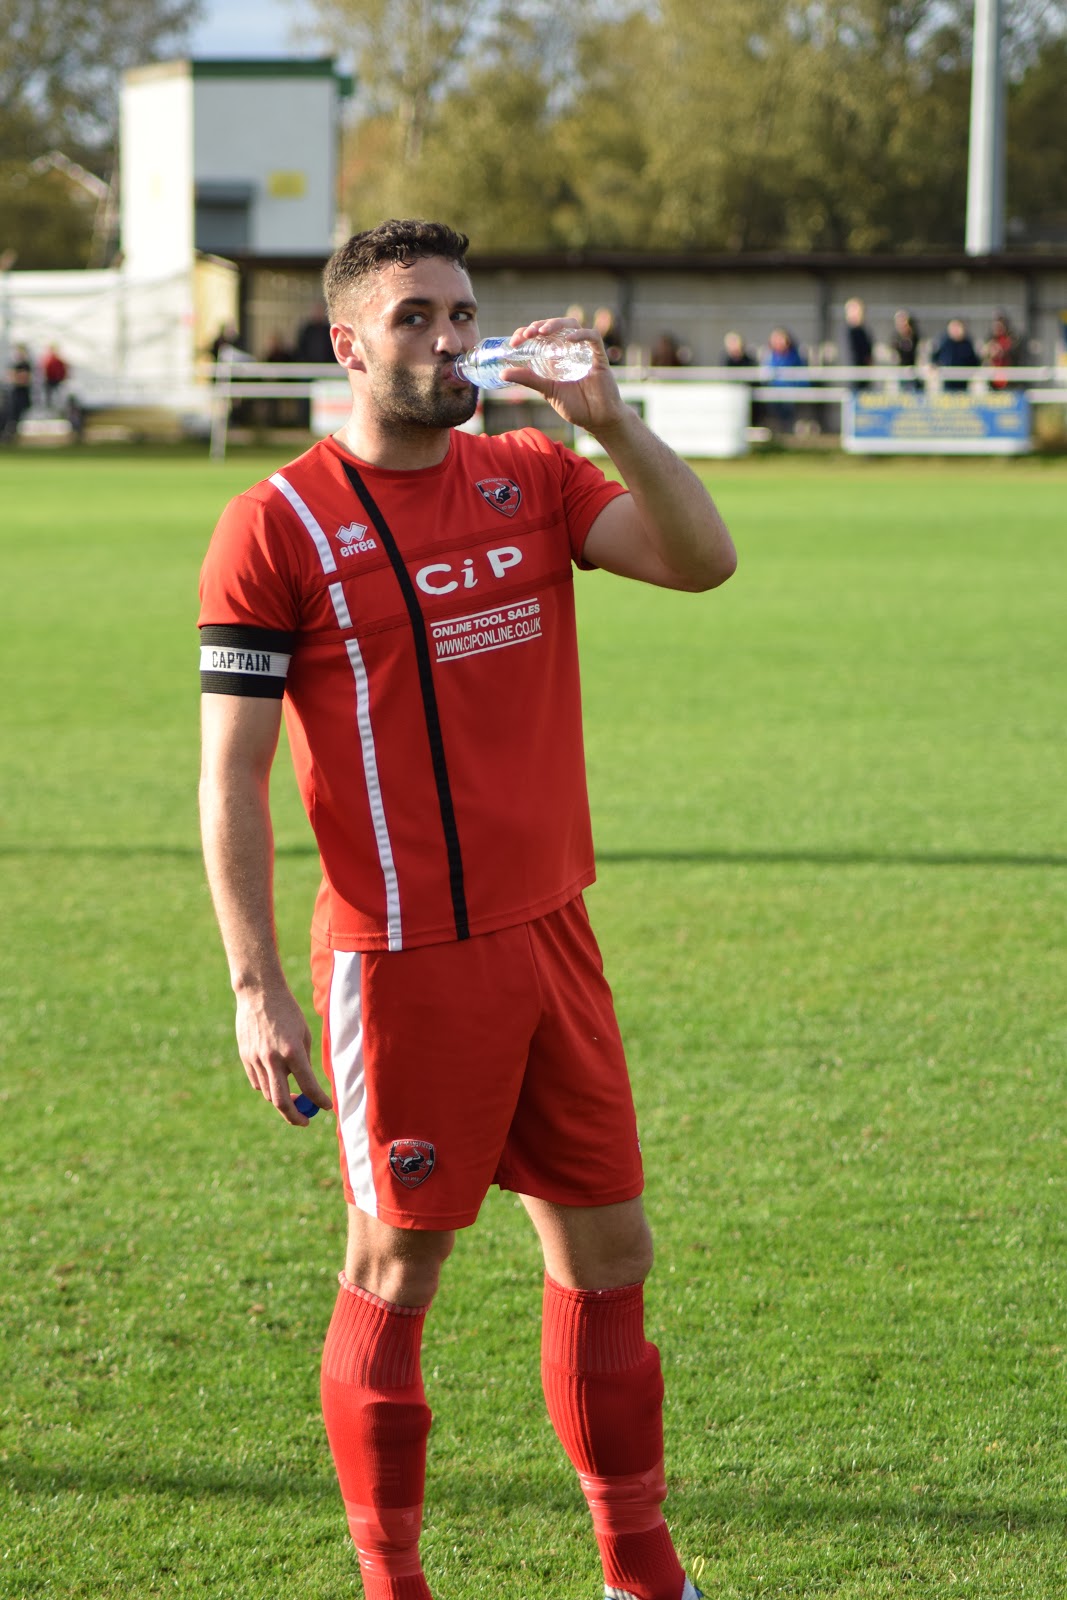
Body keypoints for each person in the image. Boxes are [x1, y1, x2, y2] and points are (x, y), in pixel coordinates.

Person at [198, 218, 736, 1600]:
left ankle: (641, 1575)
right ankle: (394, 1585)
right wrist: (255, 984)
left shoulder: (532, 477)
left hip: (552, 932)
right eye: (415, 318)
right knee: (396, 1267)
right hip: (401, 960)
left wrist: (607, 419)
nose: (448, 341)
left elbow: (700, 559)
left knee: (609, 1253)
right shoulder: (276, 523)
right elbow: (232, 774)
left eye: (462, 315)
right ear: (347, 344)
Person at [765, 326, 806, 433]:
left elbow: (801, 377)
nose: (778, 342)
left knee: (786, 405)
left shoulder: (794, 356)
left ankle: (786, 430)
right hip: (774, 391)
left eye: (780, 339)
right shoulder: (770, 356)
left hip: (791, 391)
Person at [931, 318, 979, 392]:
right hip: (947, 381)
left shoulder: (967, 344)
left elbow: (974, 361)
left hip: (963, 381)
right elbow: (934, 357)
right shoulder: (944, 342)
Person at [843, 297, 874, 390]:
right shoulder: (847, 332)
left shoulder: (863, 332)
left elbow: (868, 354)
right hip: (852, 376)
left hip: (863, 376)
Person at [2, 345, 32, 439]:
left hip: (22, 393)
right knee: (12, 413)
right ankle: (10, 432)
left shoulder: (25, 365)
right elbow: (11, 377)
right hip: (16, 393)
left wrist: (16, 377)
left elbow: (24, 379)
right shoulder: (15, 365)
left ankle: (12, 432)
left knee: (18, 413)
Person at [982, 312, 1018, 389]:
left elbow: (1015, 353)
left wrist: (1001, 351)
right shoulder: (990, 339)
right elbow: (984, 354)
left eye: (1000, 325)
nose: (997, 328)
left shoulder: (1012, 338)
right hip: (992, 378)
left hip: (1009, 378)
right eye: (995, 325)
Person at [891, 310, 921, 390]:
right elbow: (894, 356)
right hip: (900, 372)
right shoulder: (895, 338)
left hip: (914, 372)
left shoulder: (915, 337)